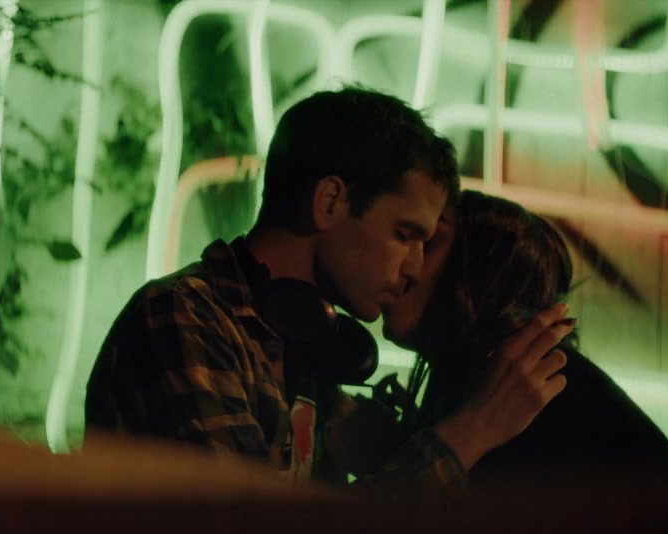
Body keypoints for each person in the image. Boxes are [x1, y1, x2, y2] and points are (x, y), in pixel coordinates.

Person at [84, 87, 571, 488]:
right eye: (405, 235)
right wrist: (470, 431)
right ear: (331, 202)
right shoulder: (184, 322)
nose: (415, 267)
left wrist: (391, 453)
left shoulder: (304, 349)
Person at [372, 190, 668, 507]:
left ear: (483, 268)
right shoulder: (493, 387)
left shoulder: (535, 399)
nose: (406, 261)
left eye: (428, 244)